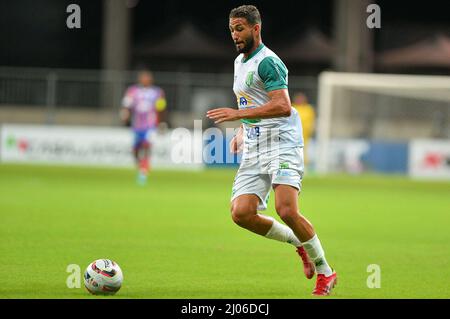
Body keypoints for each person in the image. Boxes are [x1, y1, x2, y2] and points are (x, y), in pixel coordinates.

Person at [206, 5, 337, 296]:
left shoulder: (269, 62)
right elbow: (249, 100)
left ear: (256, 28)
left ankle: (326, 271)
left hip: (282, 143)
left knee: (286, 209)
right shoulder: (239, 62)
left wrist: (237, 117)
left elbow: (282, 105)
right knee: (241, 213)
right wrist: (242, 129)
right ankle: (299, 244)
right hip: (255, 144)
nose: (235, 36)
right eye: (231, 30)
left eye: (239, 29)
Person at [120, 70, 167, 185]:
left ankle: (143, 172)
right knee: (136, 149)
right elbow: (127, 105)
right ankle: (140, 166)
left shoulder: (157, 92)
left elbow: (161, 108)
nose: (145, 80)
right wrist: (125, 114)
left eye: (147, 78)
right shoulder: (132, 91)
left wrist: (161, 123)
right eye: (143, 78)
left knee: (146, 145)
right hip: (137, 125)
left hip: (150, 125)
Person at [292, 92, 316, 167]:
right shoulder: (292, 107)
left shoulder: (308, 108)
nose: (300, 100)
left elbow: (311, 120)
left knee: (303, 149)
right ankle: (293, 164)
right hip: (293, 133)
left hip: (304, 134)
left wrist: (310, 129)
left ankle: (304, 165)